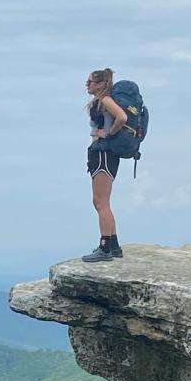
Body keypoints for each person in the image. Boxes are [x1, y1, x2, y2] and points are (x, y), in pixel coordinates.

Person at [83, 67, 126, 262]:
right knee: (100, 202)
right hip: (102, 152)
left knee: (101, 203)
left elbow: (122, 117)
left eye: (90, 82)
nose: (87, 85)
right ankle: (114, 245)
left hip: (103, 153)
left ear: (100, 84)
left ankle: (105, 247)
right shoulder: (101, 101)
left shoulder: (105, 100)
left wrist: (108, 134)